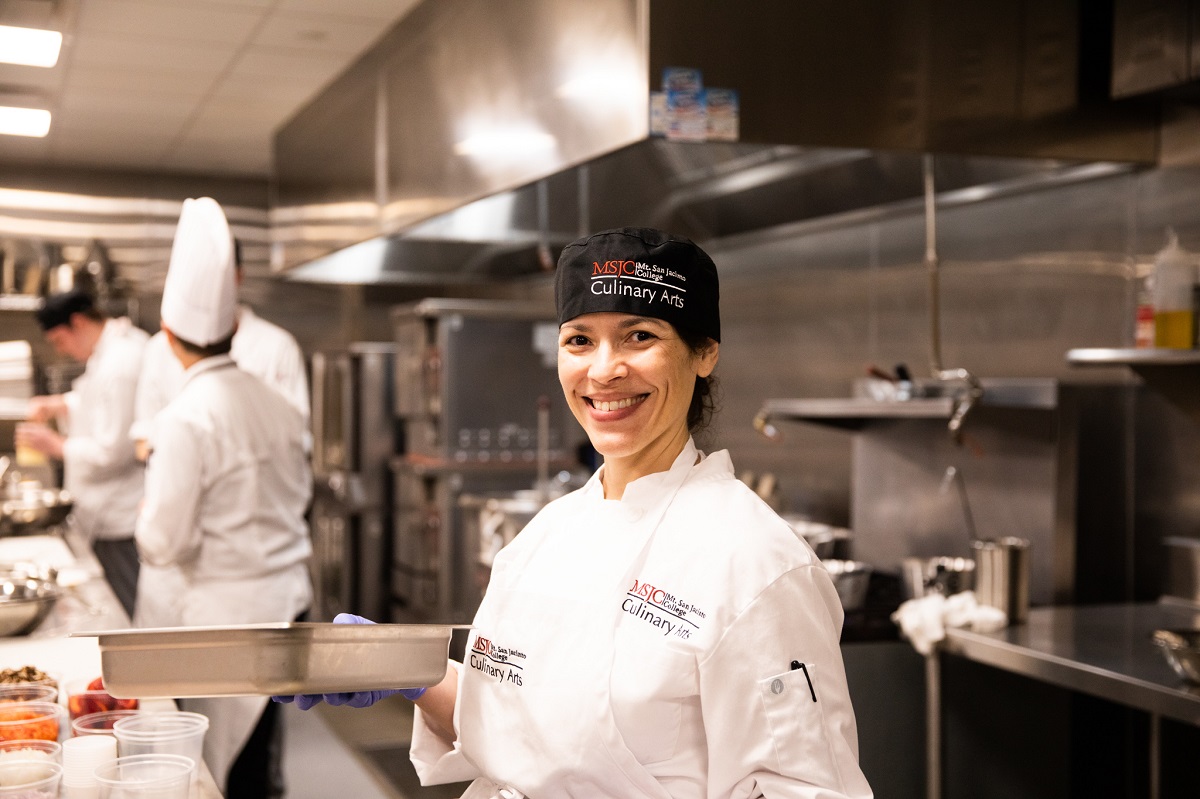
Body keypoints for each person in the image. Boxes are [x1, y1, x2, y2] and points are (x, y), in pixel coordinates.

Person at [279, 228, 873, 798]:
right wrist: (406, 672)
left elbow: (806, 787)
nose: (603, 370)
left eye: (640, 336)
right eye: (580, 340)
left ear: (704, 353)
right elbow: (522, 732)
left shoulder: (756, 565)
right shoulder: (546, 535)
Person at [135, 197, 313, 798]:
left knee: (218, 772)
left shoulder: (186, 417)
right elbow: (301, 488)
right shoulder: (276, 405)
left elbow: (162, 541)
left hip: (226, 623)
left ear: (167, 334)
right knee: (259, 763)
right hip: (285, 607)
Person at [16, 288, 148, 616]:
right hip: (108, 509)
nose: (62, 351)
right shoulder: (109, 351)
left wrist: (55, 446)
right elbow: (94, 402)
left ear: (77, 322)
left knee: (127, 605)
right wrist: (58, 404)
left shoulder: (121, 362)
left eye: (60, 341)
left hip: (119, 514)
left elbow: (114, 449)